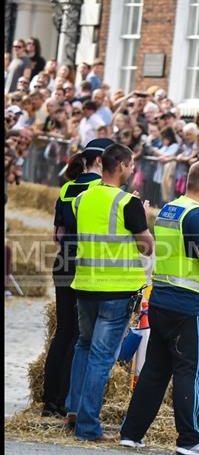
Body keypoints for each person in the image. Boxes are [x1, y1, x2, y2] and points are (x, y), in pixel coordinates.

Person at [120, 162, 199, 455]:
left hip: (160, 297)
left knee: (155, 372)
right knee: (191, 371)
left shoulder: (171, 209)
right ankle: (190, 438)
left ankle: (131, 433)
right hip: (189, 304)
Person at [65, 143, 154, 442]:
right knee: (102, 358)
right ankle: (88, 427)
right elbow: (146, 246)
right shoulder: (127, 203)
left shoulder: (82, 199)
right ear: (124, 165)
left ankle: (74, 410)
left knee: (84, 347)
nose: (133, 170)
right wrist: (143, 215)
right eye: (131, 166)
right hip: (116, 290)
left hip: (85, 285)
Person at [41, 139, 113, 418]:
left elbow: (57, 234)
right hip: (87, 266)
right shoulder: (102, 190)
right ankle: (68, 399)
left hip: (63, 262)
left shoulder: (67, 187)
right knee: (82, 337)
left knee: (63, 332)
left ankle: (50, 401)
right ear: (101, 162)